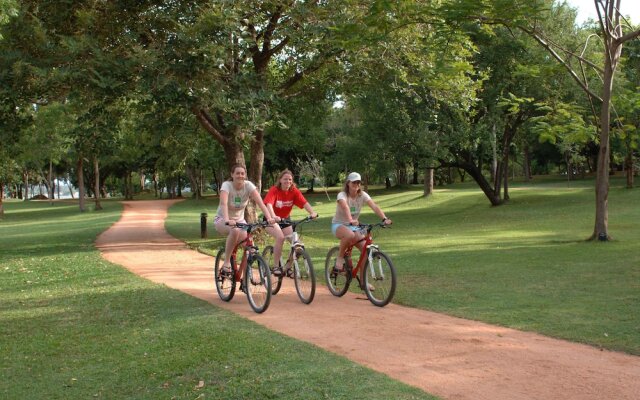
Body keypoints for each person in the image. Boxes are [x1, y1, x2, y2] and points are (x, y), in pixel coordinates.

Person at [214, 164, 275, 272]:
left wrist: (269, 218)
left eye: (242, 173)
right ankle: (227, 262)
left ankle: (244, 280)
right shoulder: (226, 186)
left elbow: (261, 203)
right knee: (235, 230)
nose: (240, 176)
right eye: (237, 173)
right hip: (222, 219)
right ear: (232, 174)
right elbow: (223, 204)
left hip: (240, 221)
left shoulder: (248, 185)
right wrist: (228, 220)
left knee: (251, 249)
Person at [331, 172, 392, 271]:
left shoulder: (362, 195)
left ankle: (364, 283)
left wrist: (384, 218)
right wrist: (350, 219)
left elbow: (374, 206)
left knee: (365, 251)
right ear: (348, 183)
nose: (356, 185)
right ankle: (340, 258)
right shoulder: (342, 195)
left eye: (358, 182)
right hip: (339, 225)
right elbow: (345, 207)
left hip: (353, 226)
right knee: (349, 235)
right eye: (354, 182)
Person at [263, 169, 318, 276]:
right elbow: (268, 204)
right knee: (280, 237)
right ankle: (275, 267)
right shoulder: (274, 190)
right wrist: (273, 216)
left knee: (296, 242)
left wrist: (312, 212)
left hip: (285, 220)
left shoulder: (294, 191)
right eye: (285, 179)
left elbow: (304, 203)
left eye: (290, 179)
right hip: (270, 220)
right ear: (280, 180)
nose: (288, 181)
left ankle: (288, 267)